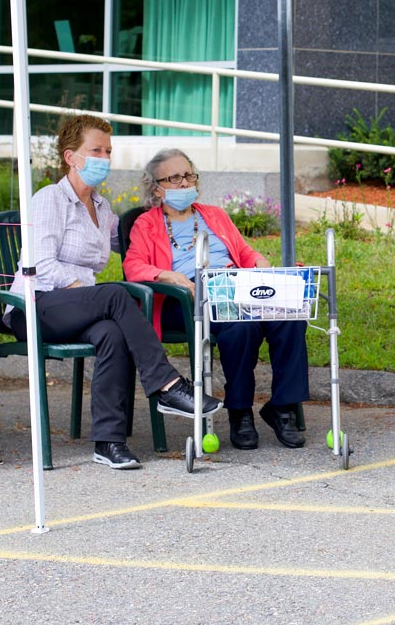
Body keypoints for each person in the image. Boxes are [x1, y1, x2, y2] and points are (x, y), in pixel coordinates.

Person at [5, 115, 221, 470]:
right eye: (95, 150)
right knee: (115, 296)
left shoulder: (103, 209)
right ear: (71, 156)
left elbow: (133, 244)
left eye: (108, 150)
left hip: (76, 309)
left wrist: (166, 223)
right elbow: (38, 264)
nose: (104, 158)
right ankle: (167, 385)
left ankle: (109, 442)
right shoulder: (49, 200)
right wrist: (84, 289)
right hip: (34, 305)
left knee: (112, 331)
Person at [123, 148, 310, 451]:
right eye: (174, 178)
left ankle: (282, 407)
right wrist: (169, 276)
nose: (185, 183)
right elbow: (133, 267)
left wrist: (260, 263)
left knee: (288, 314)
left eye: (188, 175)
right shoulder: (147, 224)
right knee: (240, 327)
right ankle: (240, 412)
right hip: (183, 299)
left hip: (233, 286)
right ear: (156, 187)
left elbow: (243, 251)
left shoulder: (213, 215)